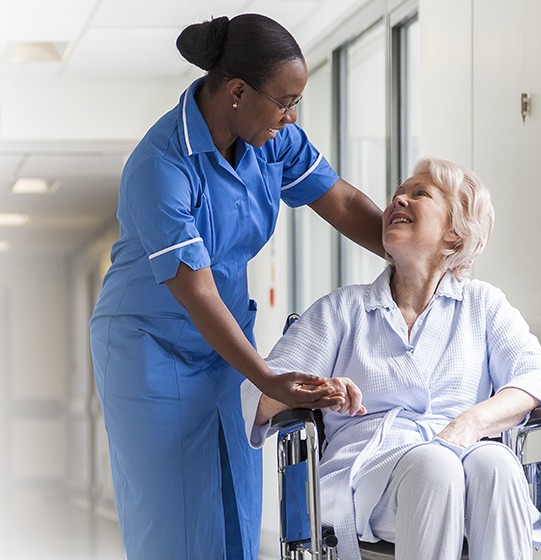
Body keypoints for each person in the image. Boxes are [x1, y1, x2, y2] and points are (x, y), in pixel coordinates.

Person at [89, 13, 383, 560]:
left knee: (236, 508)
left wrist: (410, 253)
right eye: (285, 100)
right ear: (238, 92)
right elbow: (195, 289)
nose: (292, 116)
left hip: (227, 345)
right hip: (149, 347)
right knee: (173, 525)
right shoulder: (161, 165)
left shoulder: (271, 139)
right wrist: (269, 376)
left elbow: (338, 200)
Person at [242, 157, 541, 560]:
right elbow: (257, 397)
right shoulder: (343, 309)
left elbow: (536, 378)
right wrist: (314, 392)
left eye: (419, 194)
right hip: (370, 473)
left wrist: (471, 423)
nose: (399, 200)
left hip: (466, 456)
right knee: (436, 466)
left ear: (453, 233)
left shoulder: (484, 305)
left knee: (496, 462)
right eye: (397, 194)